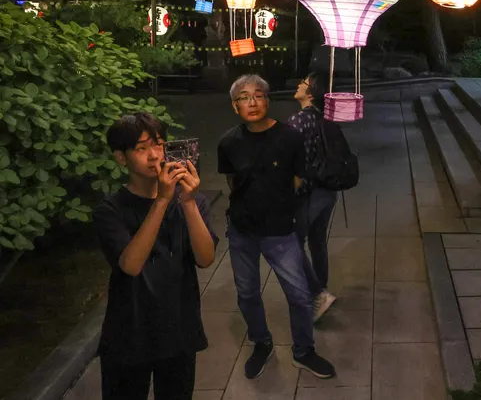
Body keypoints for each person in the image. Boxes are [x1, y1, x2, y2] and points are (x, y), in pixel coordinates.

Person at [217, 74, 336, 380]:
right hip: (242, 230)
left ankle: (303, 351)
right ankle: (262, 342)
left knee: (298, 295)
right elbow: (233, 183)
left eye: (258, 95)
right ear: (235, 106)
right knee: (247, 293)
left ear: (268, 101)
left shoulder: (289, 137)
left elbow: (298, 179)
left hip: (280, 231)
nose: (252, 102)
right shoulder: (228, 142)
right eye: (244, 98)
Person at [93, 112, 217, 400]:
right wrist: (162, 200)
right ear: (121, 158)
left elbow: (205, 258)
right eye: (141, 148)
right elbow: (131, 265)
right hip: (129, 331)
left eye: (159, 145)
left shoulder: (192, 200)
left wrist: (186, 203)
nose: (154, 156)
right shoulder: (110, 210)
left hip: (178, 328)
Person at [288, 72, 339, 321]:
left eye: (303, 82)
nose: (298, 84)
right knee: (318, 242)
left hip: (308, 193)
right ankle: (322, 293)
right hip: (328, 190)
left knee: (292, 243)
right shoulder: (326, 118)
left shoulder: (298, 121)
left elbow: (293, 162)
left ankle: (318, 294)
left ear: (310, 93)